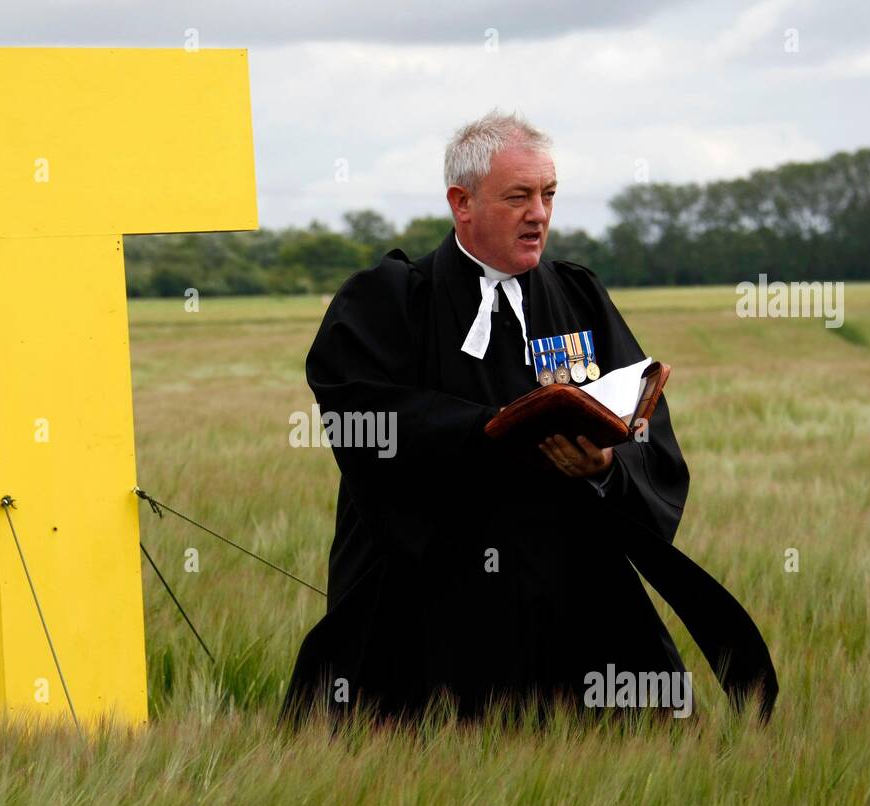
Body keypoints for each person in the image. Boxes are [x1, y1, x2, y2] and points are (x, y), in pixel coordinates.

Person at [279, 109, 777, 730]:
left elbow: (647, 425)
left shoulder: (579, 296)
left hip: (576, 593)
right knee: (412, 767)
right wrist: (501, 430)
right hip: (432, 595)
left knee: (641, 762)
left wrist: (606, 465)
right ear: (462, 203)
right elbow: (362, 414)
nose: (539, 213)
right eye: (518, 197)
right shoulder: (390, 299)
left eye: (548, 195)